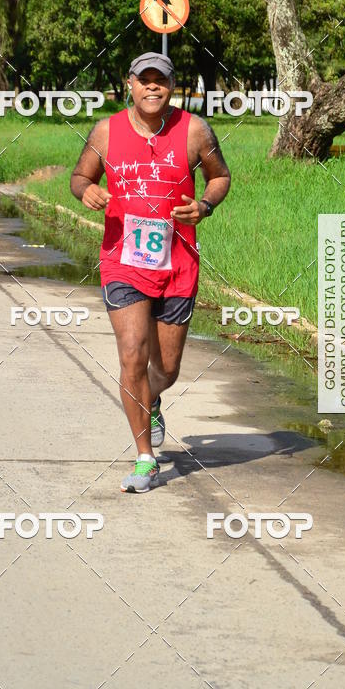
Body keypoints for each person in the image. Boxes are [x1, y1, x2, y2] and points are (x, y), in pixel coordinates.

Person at [70, 52, 231, 492]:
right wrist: (88, 192)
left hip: (178, 261)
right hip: (123, 259)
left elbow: (220, 177)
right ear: (131, 84)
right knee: (131, 354)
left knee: (168, 367)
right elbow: (79, 177)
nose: (152, 87)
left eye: (161, 80)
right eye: (145, 80)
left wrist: (205, 205)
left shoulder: (194, 129)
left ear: (173, 86)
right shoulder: (106, 130)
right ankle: (145, 458)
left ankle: (153, 399)